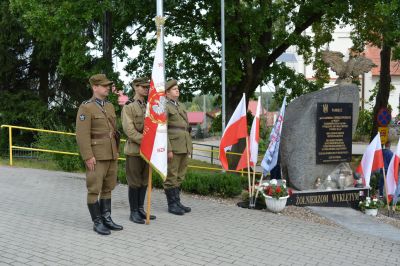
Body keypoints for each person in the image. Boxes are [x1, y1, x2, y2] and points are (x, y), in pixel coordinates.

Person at [76, 74, 123, 235]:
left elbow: (113, 131)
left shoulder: (109, 106)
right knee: (94, 189)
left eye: (108, 85)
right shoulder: (86, 107)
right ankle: (97, 222)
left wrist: (115, 151)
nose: (107, 87)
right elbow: (82, 135)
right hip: (96, 155)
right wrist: (88, 156)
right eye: (104, 85)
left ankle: (107, 218)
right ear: (95, 87)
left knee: (108, 187)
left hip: (111, 153)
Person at [121, 77, 156, 224]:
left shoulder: (150, 106)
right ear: (135, 87)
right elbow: (129, 130)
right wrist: (147, 141)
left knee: (144, 181)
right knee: (134, 182)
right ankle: (133, 212)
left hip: (148, 151)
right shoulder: (129, 106)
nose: (146, 89)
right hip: (135, 150)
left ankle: (141, 209)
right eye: (143, 87)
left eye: (148, 87)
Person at [164, 79, 193, 215]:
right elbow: (163, 129)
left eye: (177, 88)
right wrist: (168, 149)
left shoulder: (180, 106)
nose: (177, 90)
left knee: (180, 175)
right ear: (167, 92)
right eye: (174, 89)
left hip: (184, 145)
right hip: (174, 146)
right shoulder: (164, 106)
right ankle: (172, 205)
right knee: (172, 175)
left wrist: (189, 147)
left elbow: (185, 127)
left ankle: (177, 202)